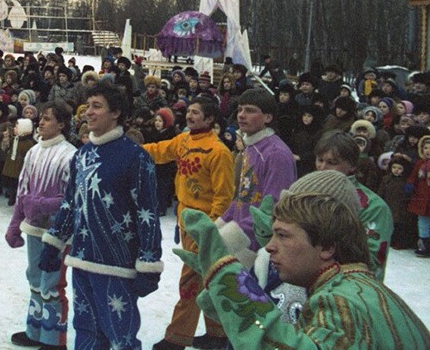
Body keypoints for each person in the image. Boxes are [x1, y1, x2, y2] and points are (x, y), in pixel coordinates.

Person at [175, 192, 430, 348]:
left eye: (283, 236)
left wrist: (227, 279)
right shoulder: (355, 287)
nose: (270, 247)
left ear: (327, 247)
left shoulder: (340, 302)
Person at [40, 82, 163, 349]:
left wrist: (149, 260)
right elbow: (71, 202)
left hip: (117, 266)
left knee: (121, 337)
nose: (89, 113)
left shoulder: (136, 157)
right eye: (88, 106)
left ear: (116, 112)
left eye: (97, 106)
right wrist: (54, 241)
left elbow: (147, 213)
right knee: (86, 332)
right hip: (82, 260)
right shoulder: (81, 155)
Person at [145, 97, 235, 350]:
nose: (190, 116)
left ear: (210, 119)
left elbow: (224, 196)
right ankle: (217, 333)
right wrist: (134, 150)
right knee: (208, 278)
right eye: (190, 112)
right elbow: (160, 151)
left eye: (197, 113)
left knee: (191, 280)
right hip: (185, 218)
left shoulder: (218, 152)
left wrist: (211, 229)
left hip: (204, 226)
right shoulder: (184, 140)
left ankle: (177, 337)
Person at [6, 101, 77, 350]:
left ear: (62, 125)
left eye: (48, 119)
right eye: (42, 118)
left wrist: (44, 205)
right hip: (33, 228)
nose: (41, 122)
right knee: (35, 277)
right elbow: (22, 190)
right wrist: (15, 223)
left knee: (52, 282)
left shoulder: (70, 154)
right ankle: (34, 331)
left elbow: (72, 198)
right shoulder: (34, 152)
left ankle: (53, 339)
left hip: (57, 233)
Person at [218, 88, 297, 250]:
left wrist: (231, 238)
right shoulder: (251, 148)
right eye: (240, 109)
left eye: (250, 110)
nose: (241, 114)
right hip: (241, 242)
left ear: (268, 117)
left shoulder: (276, 154)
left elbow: (273, 209)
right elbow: (242, 198)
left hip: (260, 248)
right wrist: (218, 226)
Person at [313, 130, 393, 278]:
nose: (322, 167)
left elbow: (371, 260)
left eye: (332, 162)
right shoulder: (305, 193)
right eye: (319, 160)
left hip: (348, 289)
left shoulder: (373, 206)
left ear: (352, 166)